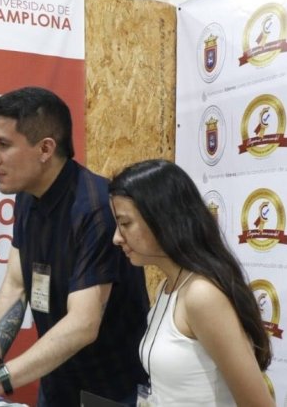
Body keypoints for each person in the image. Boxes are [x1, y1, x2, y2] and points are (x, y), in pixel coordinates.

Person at [0, 86, 149, 407]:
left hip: (110, 392)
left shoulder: (97, 208)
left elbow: (83, 324)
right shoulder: (27, 197)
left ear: (45, 149)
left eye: (3, 144)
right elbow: (16, 285)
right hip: (57, 383)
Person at [109, 159, 273, 406]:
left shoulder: (202, 295)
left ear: (162, 219)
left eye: (125, 224)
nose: (117, 238)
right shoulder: (168, 288)